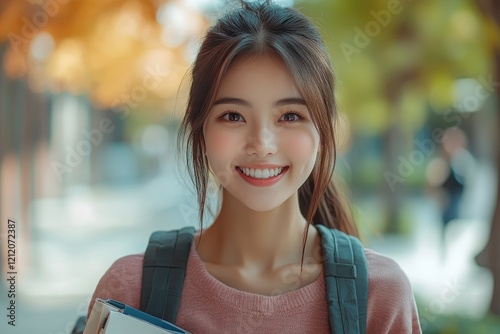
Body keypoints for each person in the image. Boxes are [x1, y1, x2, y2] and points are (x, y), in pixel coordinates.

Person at [88, 1, 421, 332]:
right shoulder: (130, 292)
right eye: (233, 116)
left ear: (323, 130)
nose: (262, 143)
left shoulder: (380, 296)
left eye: (290, 116)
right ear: (200, 130)